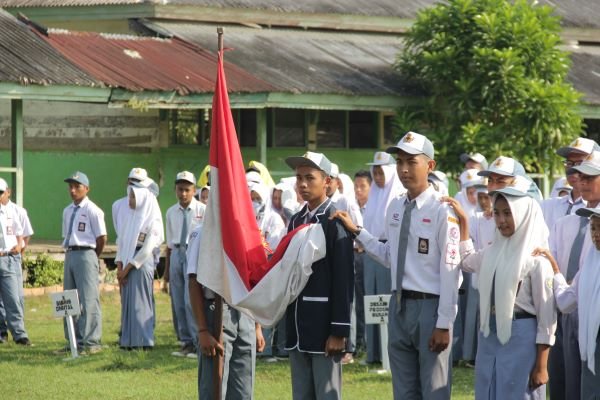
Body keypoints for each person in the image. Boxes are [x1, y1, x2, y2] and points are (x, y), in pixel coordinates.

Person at [335, 132, 461, 399]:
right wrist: (357, 231)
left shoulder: (442, 210)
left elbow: (451, 270)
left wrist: (444, 322)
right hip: (399, 304)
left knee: (434, 390)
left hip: (430, 306)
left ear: (430, 165)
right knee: (403, 390)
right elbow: (390, 255)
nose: (404, 168)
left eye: (412, 161)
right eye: (400, 161)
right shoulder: (395, 206)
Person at [448, 175, 556, 399]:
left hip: (522, 336)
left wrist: (541, 366)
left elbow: (547, 319)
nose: (501, 220)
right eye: (497, 213)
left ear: (523, 215)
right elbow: (466, 261)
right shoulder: (492, 252)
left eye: (508, 213)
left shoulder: (536, 260)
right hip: (490, 335)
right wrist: (465, 224)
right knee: (489, 391)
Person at [284, 151, 354, 400]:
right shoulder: (295, 220)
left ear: (327, 182)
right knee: (301, 394)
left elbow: (344, 279)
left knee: (326, 394)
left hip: (324, 326)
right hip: (297, 323)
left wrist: (339, 330)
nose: (302, 184)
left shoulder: (335, 221)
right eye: (299, 177)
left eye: (310, 178)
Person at [187, 195, 265, 400]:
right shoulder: (202, 233)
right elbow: (194, 281)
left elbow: (254, 280)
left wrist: (256, 327)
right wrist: (203, 329)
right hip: (217, 312)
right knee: (214, 386)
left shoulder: (247, 235)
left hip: (245, 312)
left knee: (244, 386)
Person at [547, 150, 600, 400]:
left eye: (591, 177)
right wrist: (556, 275)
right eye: (580, 176)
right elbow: (567, 298)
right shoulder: (567, 223)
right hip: (572, 315)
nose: (583, 181)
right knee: (569, 383)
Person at [361, 151, 405, 366]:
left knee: (386, 301)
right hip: (371, 251)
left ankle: (388, 353)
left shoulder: (398, 194)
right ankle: (373, 353)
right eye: (375, 172)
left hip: (389, 251)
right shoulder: (374, 195)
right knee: (372, 300)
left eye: (381, 172)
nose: (378, 177)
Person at [59, 171, 106, 353]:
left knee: (88, 299)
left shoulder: (93, 210)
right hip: (71, 253)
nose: (73, 190)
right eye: (70, 186)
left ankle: (92, 342)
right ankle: (72, 340)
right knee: (68, 299)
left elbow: (102, 237)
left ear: (86, 188)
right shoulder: (67, 210)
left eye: (77, 187)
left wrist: (93, 255)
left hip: (86, 253)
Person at [115, 178, 163, 350]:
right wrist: (120, 267)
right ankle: (128, 340)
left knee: (140, 302)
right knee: (128, 301)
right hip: (127, 263)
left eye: (133, 198)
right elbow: (121, 242)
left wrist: (128, 268)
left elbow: (147, 249)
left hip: (140, 264)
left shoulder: (152, 220)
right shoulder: (132, 219)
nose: (130, 201)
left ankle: (143, 341)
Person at [164, 171, 206, 358]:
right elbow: (169, 243)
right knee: (178, 299)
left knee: (191, 299)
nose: (183, 194)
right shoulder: (171, 212)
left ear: (194, 190)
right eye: (180, 190)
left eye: (187, 190)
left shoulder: (202, 210)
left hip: (193, 251)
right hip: (176, 252)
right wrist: (167, 269)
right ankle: (186, 341)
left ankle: (199, 340)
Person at [0, 179, 33, 343]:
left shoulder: (16, 211)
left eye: (0, 193)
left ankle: (19, 334)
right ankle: (1, 333)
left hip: (9, 257)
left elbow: (24, 234)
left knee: (13, 297)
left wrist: (20, 249)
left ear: (8, 192)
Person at [541, 137, 595, 232]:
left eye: (580, 163)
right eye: (569, 163)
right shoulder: (547, 206)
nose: (572, 169)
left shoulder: (595, 208)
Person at [353, 169, 372, 355]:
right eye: (356, 186)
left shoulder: (374, 207)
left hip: (369, 255)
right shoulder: (353, 207)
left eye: (362, 186)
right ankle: (360, 340)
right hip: (354, 255)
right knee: (358, 301)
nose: (358, 190)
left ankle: (369, 341)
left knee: (369, 299)